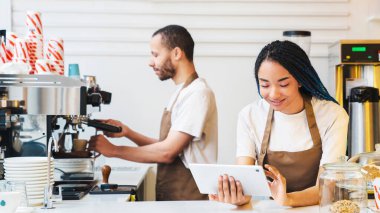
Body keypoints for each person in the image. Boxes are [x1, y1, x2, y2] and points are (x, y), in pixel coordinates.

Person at [209, 40, 348, 207]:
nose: (273, 94)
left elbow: (327, 187)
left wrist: (288, 199)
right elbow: (244, 178)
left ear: (300, 80)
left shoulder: (332, 115)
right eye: (265, 85)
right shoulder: (250, 116)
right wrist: (239, 196)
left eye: (283, 84)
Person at [88, 25, 218, 201]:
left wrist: (114, 150)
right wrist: (128, 132)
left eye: (155, 55)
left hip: (189, 200)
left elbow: (167, 152)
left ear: (177, 53)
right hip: (176, 198)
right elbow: (167, 145)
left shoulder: (198, 93)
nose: (150, 62)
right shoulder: (182, 93)